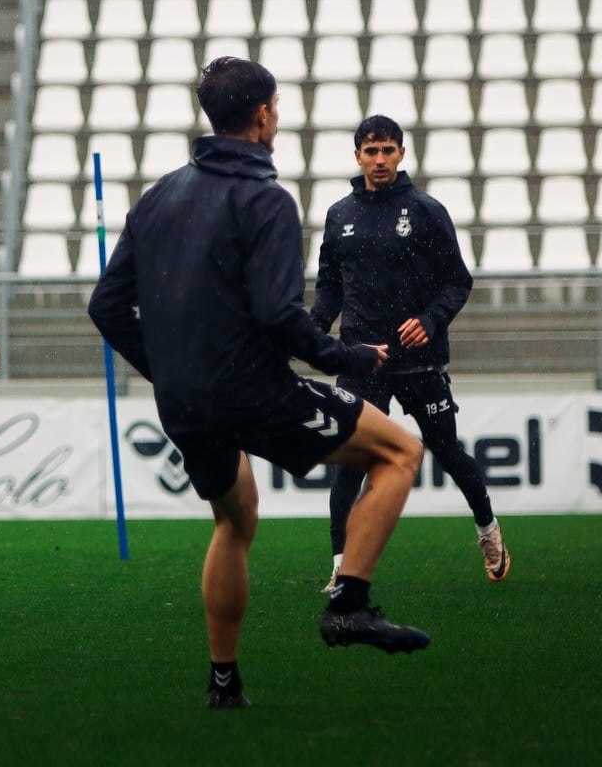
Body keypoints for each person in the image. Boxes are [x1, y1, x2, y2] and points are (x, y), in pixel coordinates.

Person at [88, 57, 430, 710]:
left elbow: (107, 306)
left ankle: (224, 681)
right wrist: (347, 358)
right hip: (251, 389)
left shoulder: (160, 194)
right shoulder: (266, 198)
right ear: (265, 114)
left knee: (235, 520)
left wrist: (170, 371)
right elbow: (279, 316)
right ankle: (349, 605)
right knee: (400, 453)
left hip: (183, 400)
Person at [311, 115, 509, 590]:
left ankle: (488, 529)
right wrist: (313, 328)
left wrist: (430, 318)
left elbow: (458, 280)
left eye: (388, 150)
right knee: (349, 458)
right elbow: (330, 286)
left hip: (418, 359)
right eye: (371, 151)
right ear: (357, 155)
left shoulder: (426, 210)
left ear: (402, 154)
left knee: (445, 449)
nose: (380, 160)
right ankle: (340, 564)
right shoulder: (339, 215)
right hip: (362, 357)